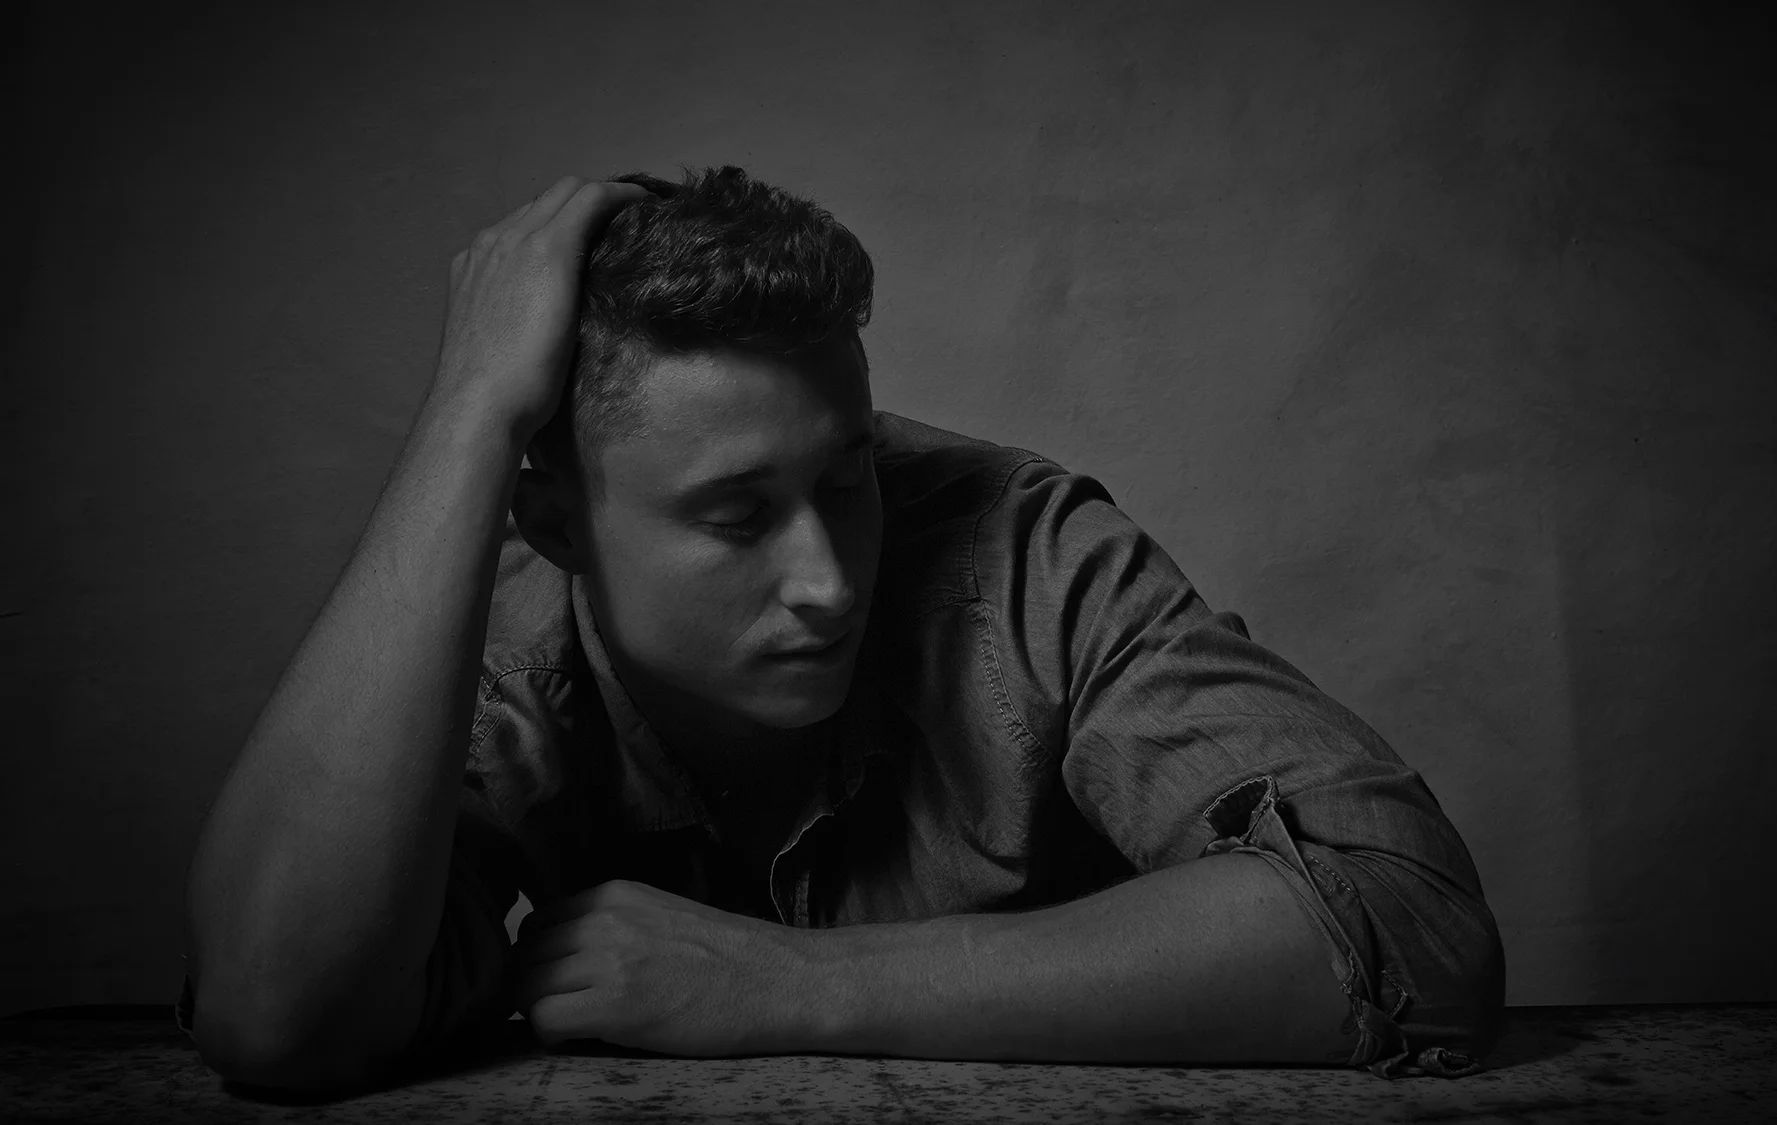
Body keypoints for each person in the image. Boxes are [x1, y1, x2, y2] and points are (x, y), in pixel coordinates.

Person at [181, 168, 1505, 1094]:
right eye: (736, 517)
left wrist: (774, 987)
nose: (827, 577)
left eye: (848, 476)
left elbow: (1412, 933)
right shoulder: (493, 637)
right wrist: (471, 408)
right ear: (556, 518)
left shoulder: (1019, 545)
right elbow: (275, 1015)